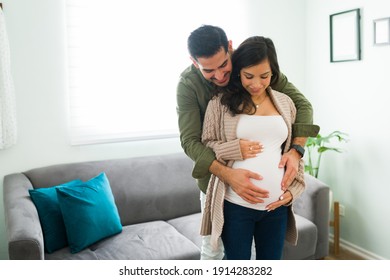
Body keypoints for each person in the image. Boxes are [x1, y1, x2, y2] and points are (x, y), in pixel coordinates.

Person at [176, 25, 319, 260]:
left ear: (230, 47)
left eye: (224, 65)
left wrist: (296, 151)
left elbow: (301, 107)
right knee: (213, 252)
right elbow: (192, 141)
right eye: (209, 70)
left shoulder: (252, 65)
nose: (220, 76)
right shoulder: (189, 86)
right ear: (194, 62)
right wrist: (228, 174)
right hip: (217, 185)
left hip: (272, 208)